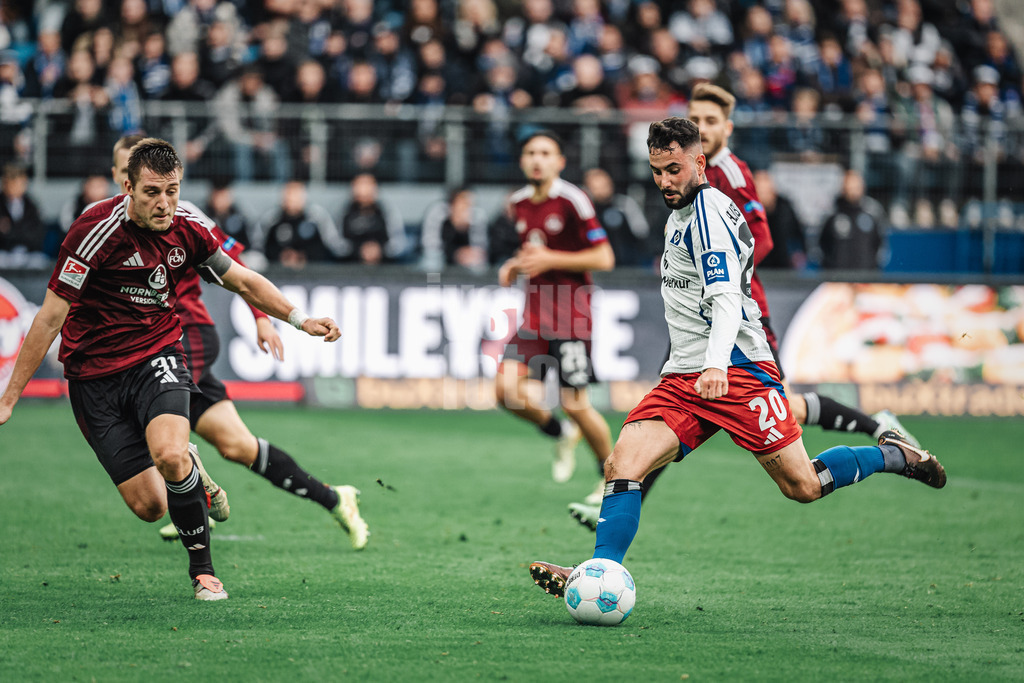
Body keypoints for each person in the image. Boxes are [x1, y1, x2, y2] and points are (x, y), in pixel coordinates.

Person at [529, 118, 946, 598]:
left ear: (699, 162)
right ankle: (598, 570)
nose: (664, 181)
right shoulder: (681, 214)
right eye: (657, 171)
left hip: (738, 372)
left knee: (803, 485)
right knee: (623, 463)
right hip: (685, 377)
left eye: (674, 169)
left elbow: (726, 296)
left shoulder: (708, 213)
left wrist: (715, 365)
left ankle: (896, 455)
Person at [0, 138, 343, 601]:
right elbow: (49, 318)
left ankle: (203, 572)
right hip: (93, 375)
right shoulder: (92, 232)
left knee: (169, 454)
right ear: (128, 187)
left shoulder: (188, 228)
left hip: (157, 354)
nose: (164, 204)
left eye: (172, 191)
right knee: (149, 506)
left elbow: (241, 278)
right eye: (152, 193)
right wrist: (8, 397)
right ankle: (188, 464)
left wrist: (299, 320)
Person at [567, 84, 917, 530]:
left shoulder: (727, 177)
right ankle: (611, 526)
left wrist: (730, 278)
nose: (703, 128)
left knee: (794, 453)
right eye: (697, 119)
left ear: (725, 129)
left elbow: (760, 240)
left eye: (711, 121)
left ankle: (880, 434)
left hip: (736, 328)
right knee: (647, 441)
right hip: (700, 338)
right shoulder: (686, 192)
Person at [107, 136, 367, 549]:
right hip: (151, 345)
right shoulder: (104, 227)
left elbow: (239, 271)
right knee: (237, 445)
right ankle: (336, 499)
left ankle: (188, 488)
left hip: (183, 336)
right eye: (124, 172)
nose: (157, 196)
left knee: (144, 409)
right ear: (123, 180)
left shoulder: (186, 215)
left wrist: (263, 319)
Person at [495, 130, 615, 497]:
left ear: (559, 162)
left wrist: (551, 259)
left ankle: (613, 479)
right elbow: (535, 251)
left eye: (546, 152)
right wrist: (516, 265)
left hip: (570, 318)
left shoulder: (573, 200)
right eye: (531, 152)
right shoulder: (518, 203)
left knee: (575, 404)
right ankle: (559, 433)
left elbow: (604, 258)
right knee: (505, 391)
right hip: (534, 317)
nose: (537, 158)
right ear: (522, 161)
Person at [252, 179, 348, 269]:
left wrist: (303, 256)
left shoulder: (317, 216)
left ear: (304, 197)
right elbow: (260, 246)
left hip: (314, 270)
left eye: (296, 194)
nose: (291, 198)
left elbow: (331, 244)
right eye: (288, 194)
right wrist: (281, 255)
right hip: (276, 269)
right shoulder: (271, 218)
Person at [818, 168, 886, 270]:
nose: (853, 189)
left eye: (856, 185)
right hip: (837, 279)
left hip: (866, 279)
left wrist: (873, 267)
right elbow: (821, 244)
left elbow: (880, 243)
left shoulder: (873, 211)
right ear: (843, 188)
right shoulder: (831, 212)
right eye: (850, 185)